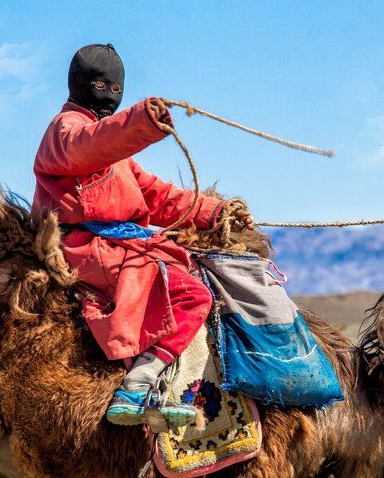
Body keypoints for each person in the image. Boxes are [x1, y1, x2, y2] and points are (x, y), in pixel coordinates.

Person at [32, 43, 253, 427]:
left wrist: (216, 213)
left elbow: (155, 194)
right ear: (82, 84)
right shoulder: (65, 130)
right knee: (191, 295)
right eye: (102, 86)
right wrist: (140, 122)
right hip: (88, 247)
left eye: (117, 89)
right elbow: (89, 145)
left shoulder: (113, 151)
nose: (110, 94)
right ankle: (137, 388)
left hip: (118, 243)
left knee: (195, 277)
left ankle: (167, 385)